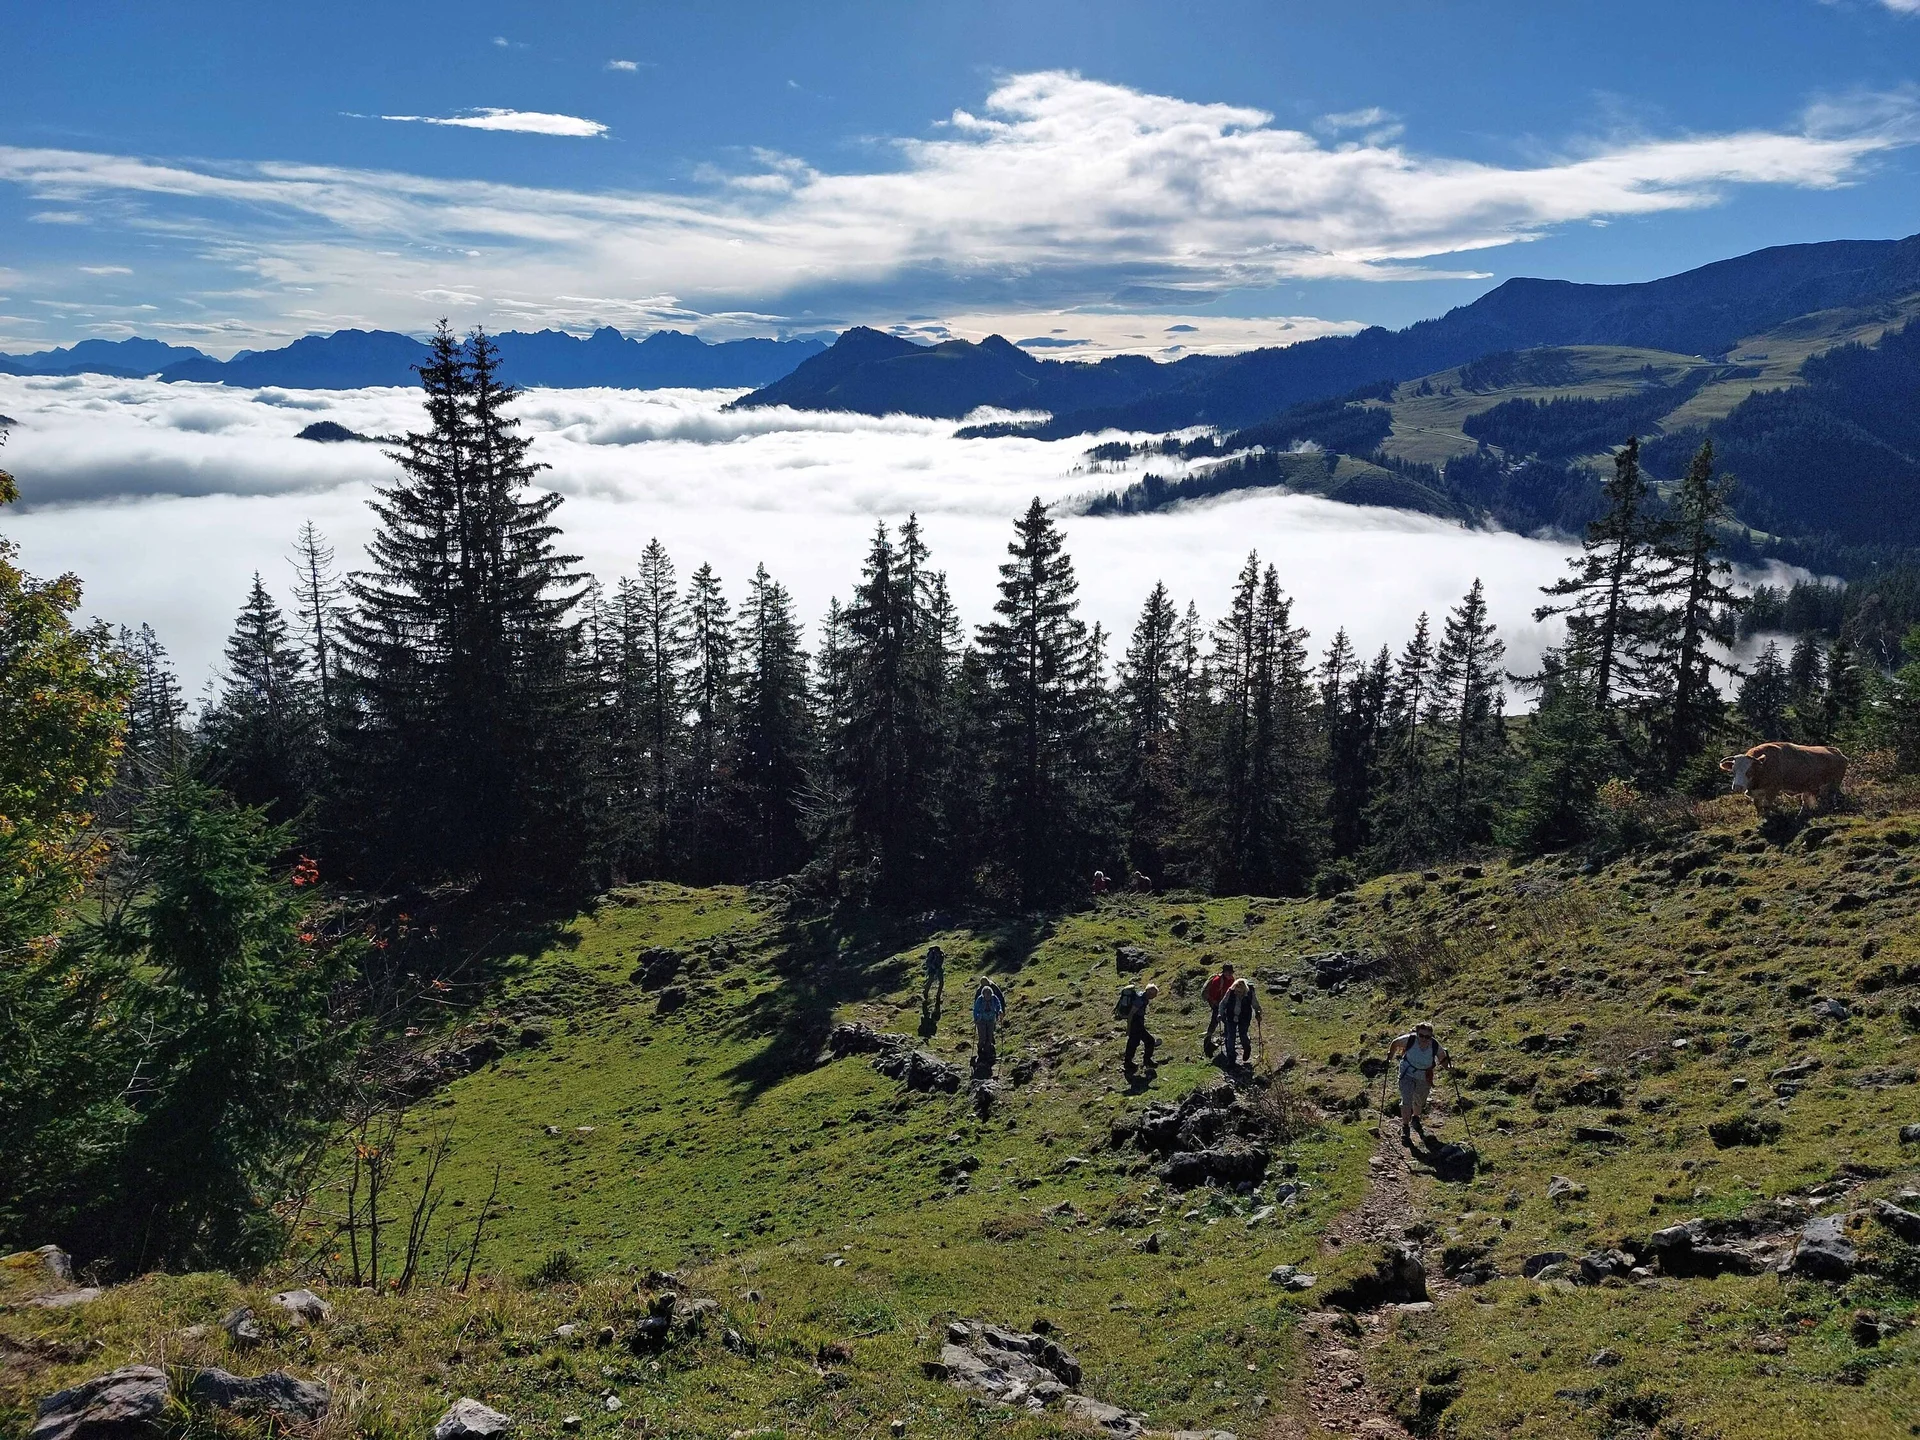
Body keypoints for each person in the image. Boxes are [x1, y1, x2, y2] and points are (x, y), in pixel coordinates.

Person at [1387, 1021, 1450, 1145]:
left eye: (1428, 1036)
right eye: (1421, 1035)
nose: (1424, 1039)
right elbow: (1395, 1043)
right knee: (1406, 1100)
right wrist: (1390, 1057)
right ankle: (1405, 1128)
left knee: (1420, 1100)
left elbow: (1442, 1058)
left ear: (1431, 1036)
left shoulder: (1435, 1045)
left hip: (1424, 1076)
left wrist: (1449, 1068)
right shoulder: (1410, 1039)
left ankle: (1416, 1118)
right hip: (1407, 1073)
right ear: (1417, 1034)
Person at [1219, 976, 1262, 1067]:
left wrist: (1258, 1012)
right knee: (1230, 1037)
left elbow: (1255, 1004)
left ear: (1244, 990)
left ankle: (1247, 1048)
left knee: (1243, 1035)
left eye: (1239, 992)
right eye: (1236, 991)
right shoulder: (1230, 991)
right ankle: (1231, 1059)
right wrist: (1221, 1014)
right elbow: (1223, 1003)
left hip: (1244, 1017)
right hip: (1231, 1016)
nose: (1237, 993)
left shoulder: (1249, 993)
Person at [1117, 981, 1159, 1072]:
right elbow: (1131, 1014)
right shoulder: (1140, 1000)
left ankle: (1129, 1063)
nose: (1155, 996)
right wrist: (1128, 1028)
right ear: (1149, 992)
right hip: (1135, 1024)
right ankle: (1144, 1062)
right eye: (1154, 994)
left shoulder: (1143, 997)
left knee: (1133, 1043)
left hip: (1137, 1024)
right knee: (1149, 1041)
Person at [1201, 962, 1236, 1056]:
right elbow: (1211, 996)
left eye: (1231, 972)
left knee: (1224, 1021)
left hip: (1224, 1003)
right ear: (1224, 972)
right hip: (1216, 1003)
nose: (1229, 974)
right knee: (1216, 1021)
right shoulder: (1217, 981)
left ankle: (1226, 1041)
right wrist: (1218, 1006)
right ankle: (1208, 1043)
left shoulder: (1232, 979)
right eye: (1227, 972)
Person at [972, 978, 1006, 1074]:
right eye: (986, 995)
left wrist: (1000, 1011)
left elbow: (999, 1003)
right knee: (982, 1036)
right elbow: (975, 1009)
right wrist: (976, 1017)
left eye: (989, 995)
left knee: (989, 1036)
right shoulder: (980, 998)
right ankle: (980, 1048)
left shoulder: (994, 996)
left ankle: (986, 1053)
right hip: (981, 1020)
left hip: (991, 1019)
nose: (988, 996)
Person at [921, 944, 946, 1009]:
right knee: (932, 980)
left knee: (940, 982)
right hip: (933, 968)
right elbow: (928, 962)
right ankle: (926, 993)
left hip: (937, 968)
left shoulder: (941, 954)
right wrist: (934, 967)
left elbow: (941, 962)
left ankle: (937, 997)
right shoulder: (933, 954)